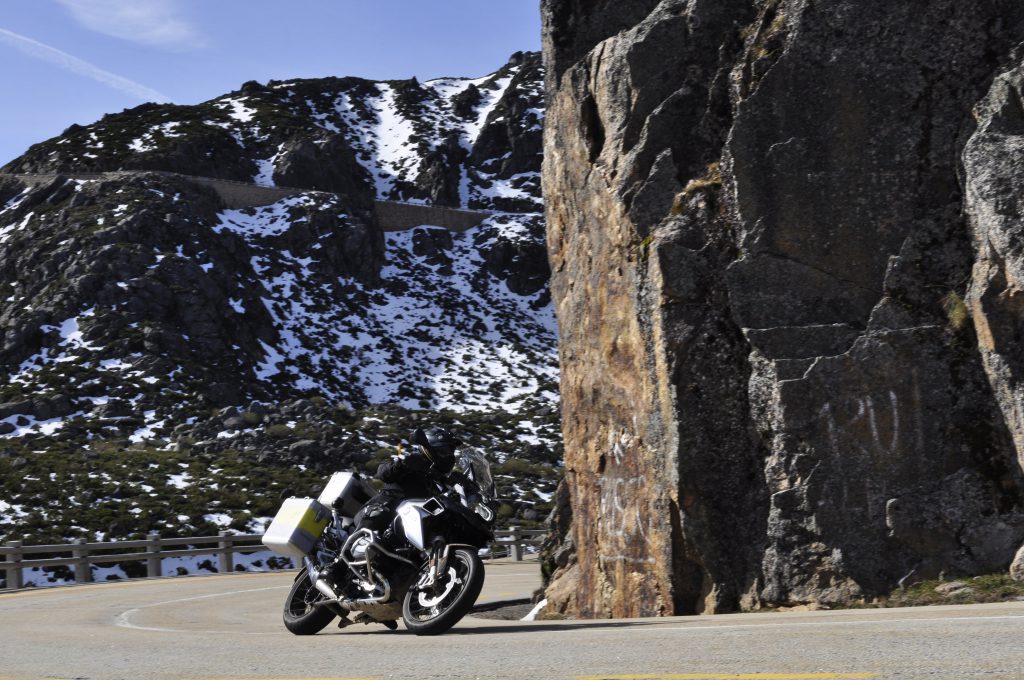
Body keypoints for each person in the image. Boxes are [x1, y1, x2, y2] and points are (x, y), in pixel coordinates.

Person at [353, 426, 461, 538]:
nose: (448, 456)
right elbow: (383, 472)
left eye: (450, 452)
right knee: (379, 513)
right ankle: (351, 548)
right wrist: (402, 464)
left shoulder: (437, 478)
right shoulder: (412, 460)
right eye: (444, 451)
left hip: (412, 522)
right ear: (431, 449)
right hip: (386, 508)